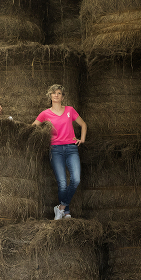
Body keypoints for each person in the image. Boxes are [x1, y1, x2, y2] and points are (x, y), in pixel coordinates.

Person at [32, 84, 87, 220]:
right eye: (53, 93)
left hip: (71, 148)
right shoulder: (45, 113)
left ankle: (60, 208)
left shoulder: (70, 110)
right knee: (62, 183)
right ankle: (66, 211)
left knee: (76, 179)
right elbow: (33, 127)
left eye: (59, 93)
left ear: (63, 96)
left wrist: (82, 139)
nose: (56, 95)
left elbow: (84, 124)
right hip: (55, 150)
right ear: (50, 96)